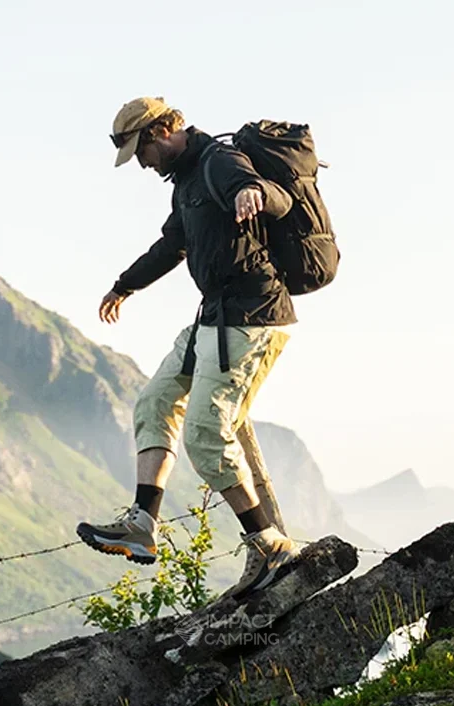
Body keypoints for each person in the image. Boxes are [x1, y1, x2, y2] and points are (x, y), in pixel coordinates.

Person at [76, 96, 301, 597]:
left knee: (205, 432)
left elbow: (281, 199)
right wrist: (124, 285)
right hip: (213, 316)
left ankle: (270, 545)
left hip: (252, 318)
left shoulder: (219, 161)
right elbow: (171, 246)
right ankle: (142, 525)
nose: (142, 164)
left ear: (160, 132)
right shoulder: (185, 182)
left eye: (140, 152)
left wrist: (252, 192)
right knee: (154, 401)